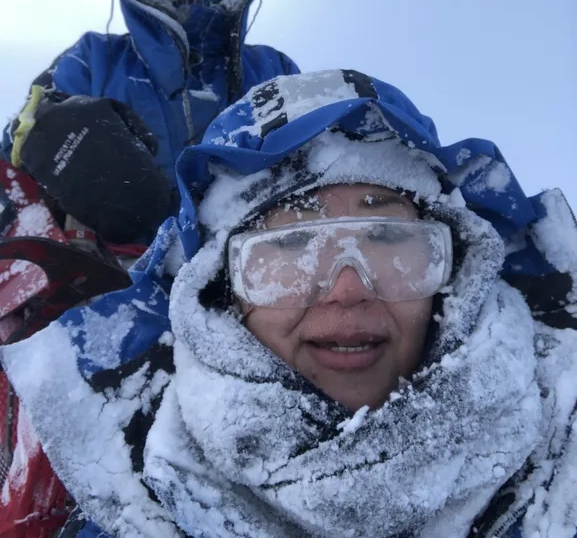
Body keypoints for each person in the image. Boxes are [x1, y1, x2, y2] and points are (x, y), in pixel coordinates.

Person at [2, 69, 576, 538]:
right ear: (222, 293)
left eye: (388, 241)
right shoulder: (112, 478)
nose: (348, 290)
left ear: (456, 270)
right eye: (290, 250)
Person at [1, 0, 299, 246]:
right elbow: (15, 157)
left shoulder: (270, 69)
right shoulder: (94, 58)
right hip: (109, 280)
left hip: (252, 277)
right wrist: (55, 132)